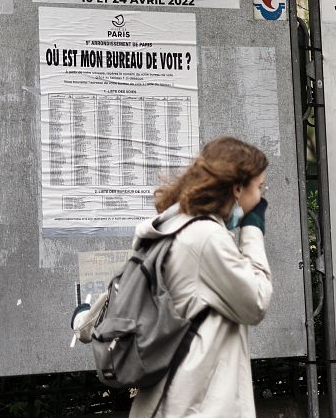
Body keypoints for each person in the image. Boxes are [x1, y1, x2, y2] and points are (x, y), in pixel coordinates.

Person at [74, 136, 273, 417]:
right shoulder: (205, 239)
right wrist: (253, 227)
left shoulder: (170, 227)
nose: (262, 197)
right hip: (197, 405)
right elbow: (257, 300)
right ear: (238, 188)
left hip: (170, 402)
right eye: (260, 187)